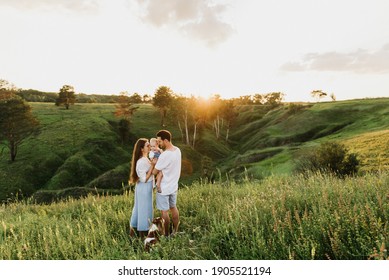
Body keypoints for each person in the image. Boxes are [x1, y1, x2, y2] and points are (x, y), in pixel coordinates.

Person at [152, 130, 182, 236]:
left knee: (164, 212)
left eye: (160, 141)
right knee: (173, 207)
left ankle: (166, 235)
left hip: (163, 188)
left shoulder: (165, 155)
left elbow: (155, 172)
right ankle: (175, 231)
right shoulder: (177, 150)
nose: (159, 144)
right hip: (173, 186)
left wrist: (154, 163)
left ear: (165, 140)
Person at [129, 138, 156, 238]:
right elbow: (144, 178)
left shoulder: (146, 158)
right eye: (147, 146)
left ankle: (134, 235)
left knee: (140, 209)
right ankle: (142, 237)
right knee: (143, 210)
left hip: (145, 187)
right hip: (144, 188)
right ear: (141, 149)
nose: (150, 147)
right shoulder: (141, 161)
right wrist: (152, 166)